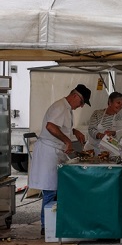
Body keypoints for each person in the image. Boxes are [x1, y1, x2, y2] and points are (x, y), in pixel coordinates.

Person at [29, 84, 91, 234]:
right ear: (75, 96)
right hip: (49, 152)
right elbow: (51, 126)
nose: (81, 106)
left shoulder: (66, 108)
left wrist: (74, 131)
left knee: (56, 189)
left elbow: (61, 126)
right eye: (82, 102)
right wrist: (67, 140)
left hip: (56, 151)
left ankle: (54, 222)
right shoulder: (60, 106)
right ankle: (46, 226)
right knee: (50, 190)